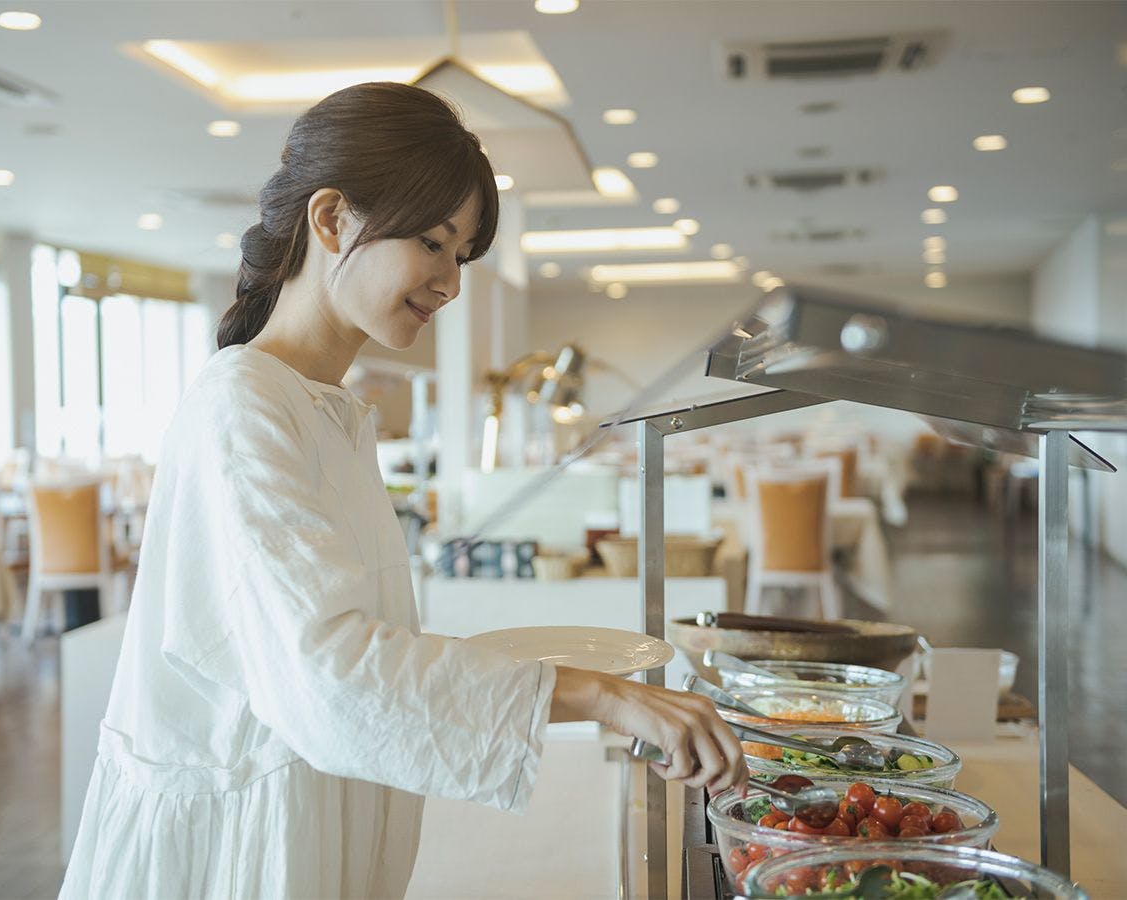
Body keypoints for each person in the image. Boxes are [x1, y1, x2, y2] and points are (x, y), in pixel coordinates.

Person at [59, 82, 744, 900]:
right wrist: (600, 696)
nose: (450, 282)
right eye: (432, 242)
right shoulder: (242, 405)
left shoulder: (332, 411)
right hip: (233, 858)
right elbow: (332, 679)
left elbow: (369, 647)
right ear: (331, 219)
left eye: (460, 254)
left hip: (305, 825)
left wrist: (596, 690)